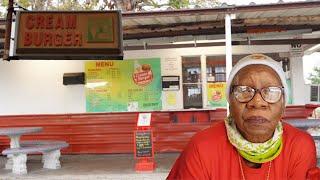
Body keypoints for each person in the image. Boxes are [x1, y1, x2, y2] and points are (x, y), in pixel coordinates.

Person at [167, 54, 318, 180]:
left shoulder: (299, 147)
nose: (257, 102)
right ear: (230, 103)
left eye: (271, 91)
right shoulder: (202, 147)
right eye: (244, 90)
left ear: (283, 104)